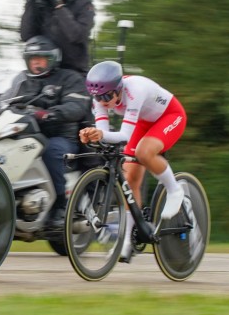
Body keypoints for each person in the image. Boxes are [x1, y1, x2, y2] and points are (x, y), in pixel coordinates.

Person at [79, 61, 187, 262]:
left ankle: (174, 190)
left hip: (170, 116)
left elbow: (124, 136)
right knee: (130, 179)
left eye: (106, 97)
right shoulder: (99, 99)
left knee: (144, 153)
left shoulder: (134, 91)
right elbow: (104, 133)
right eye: (97, 97)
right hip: (144, 122)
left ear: (119, 89)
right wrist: (91, 134)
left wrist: (99, 133)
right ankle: (127, 241)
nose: (102, 102)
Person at [16, 36, 92, 229]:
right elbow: (10, 102)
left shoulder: (69, 78)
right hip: (31, 135)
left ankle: (60, 205)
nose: (36, 62)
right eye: (32, 59)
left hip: (62, 137)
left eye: (40, 58)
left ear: (52, 59)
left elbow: (77, 106)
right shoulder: (25, 82)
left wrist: (50, 113)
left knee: (51, 151)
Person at [20, 0, 95, 76]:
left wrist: (58, 5)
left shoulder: (84, 4)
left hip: (73, 73)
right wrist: (31, 0)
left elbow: (77, 35)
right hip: (43, 73)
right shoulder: (44, 2)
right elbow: (26, 35)